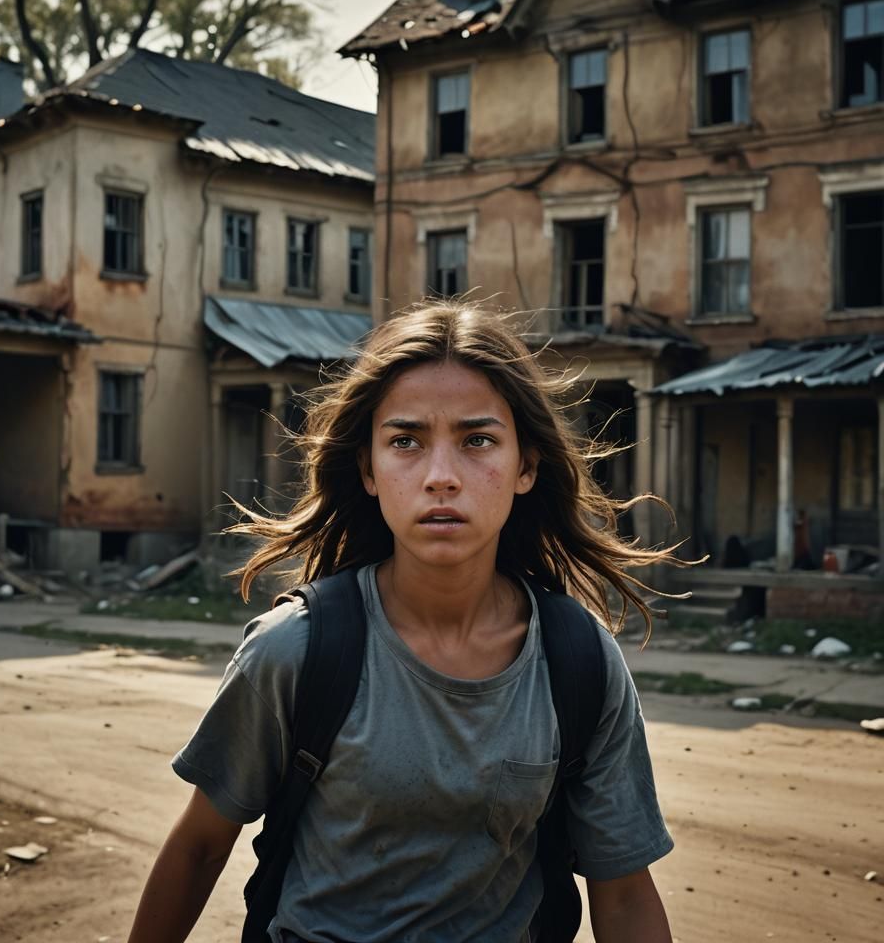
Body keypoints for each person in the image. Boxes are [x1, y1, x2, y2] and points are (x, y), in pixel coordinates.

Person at [128, 300, 684, 943]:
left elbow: (624, 895)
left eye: (478, 440)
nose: (441, 477)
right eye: (405, 442)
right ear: (368, 469)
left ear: (526, 466)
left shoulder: (578, 662)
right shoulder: (297, 651)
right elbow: (199, 847)